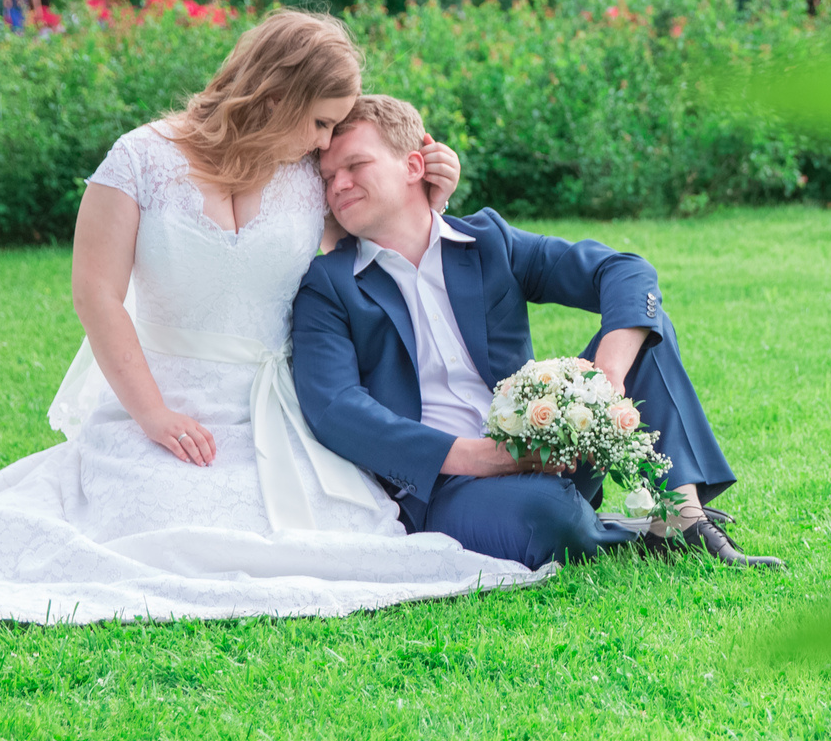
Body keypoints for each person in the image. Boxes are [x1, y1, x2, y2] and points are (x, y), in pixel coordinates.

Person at [0, 10, 548, 625]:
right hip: (164, 397)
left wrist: (432, 191)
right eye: (319, 120)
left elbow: (381, 239)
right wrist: (153, 414)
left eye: (336, 127)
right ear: (276, 94)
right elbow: (95, 293)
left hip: (281, 412)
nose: (326, 141)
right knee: (150, 530)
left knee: (334, 537)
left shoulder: (309, 178)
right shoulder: (139, 160)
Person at [292, 95, 781, 571]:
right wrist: (483, 457)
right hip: (448, 488)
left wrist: (606, 378)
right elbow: (336, 408)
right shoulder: (329, 285)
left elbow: (625, 272)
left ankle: (681, 520)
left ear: (414, 166)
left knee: (641, 330)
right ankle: (621, 529)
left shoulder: (488, 242)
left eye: (355, 165)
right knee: (548, 515)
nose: (339, 185)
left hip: (555, 449)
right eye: (328, 177)